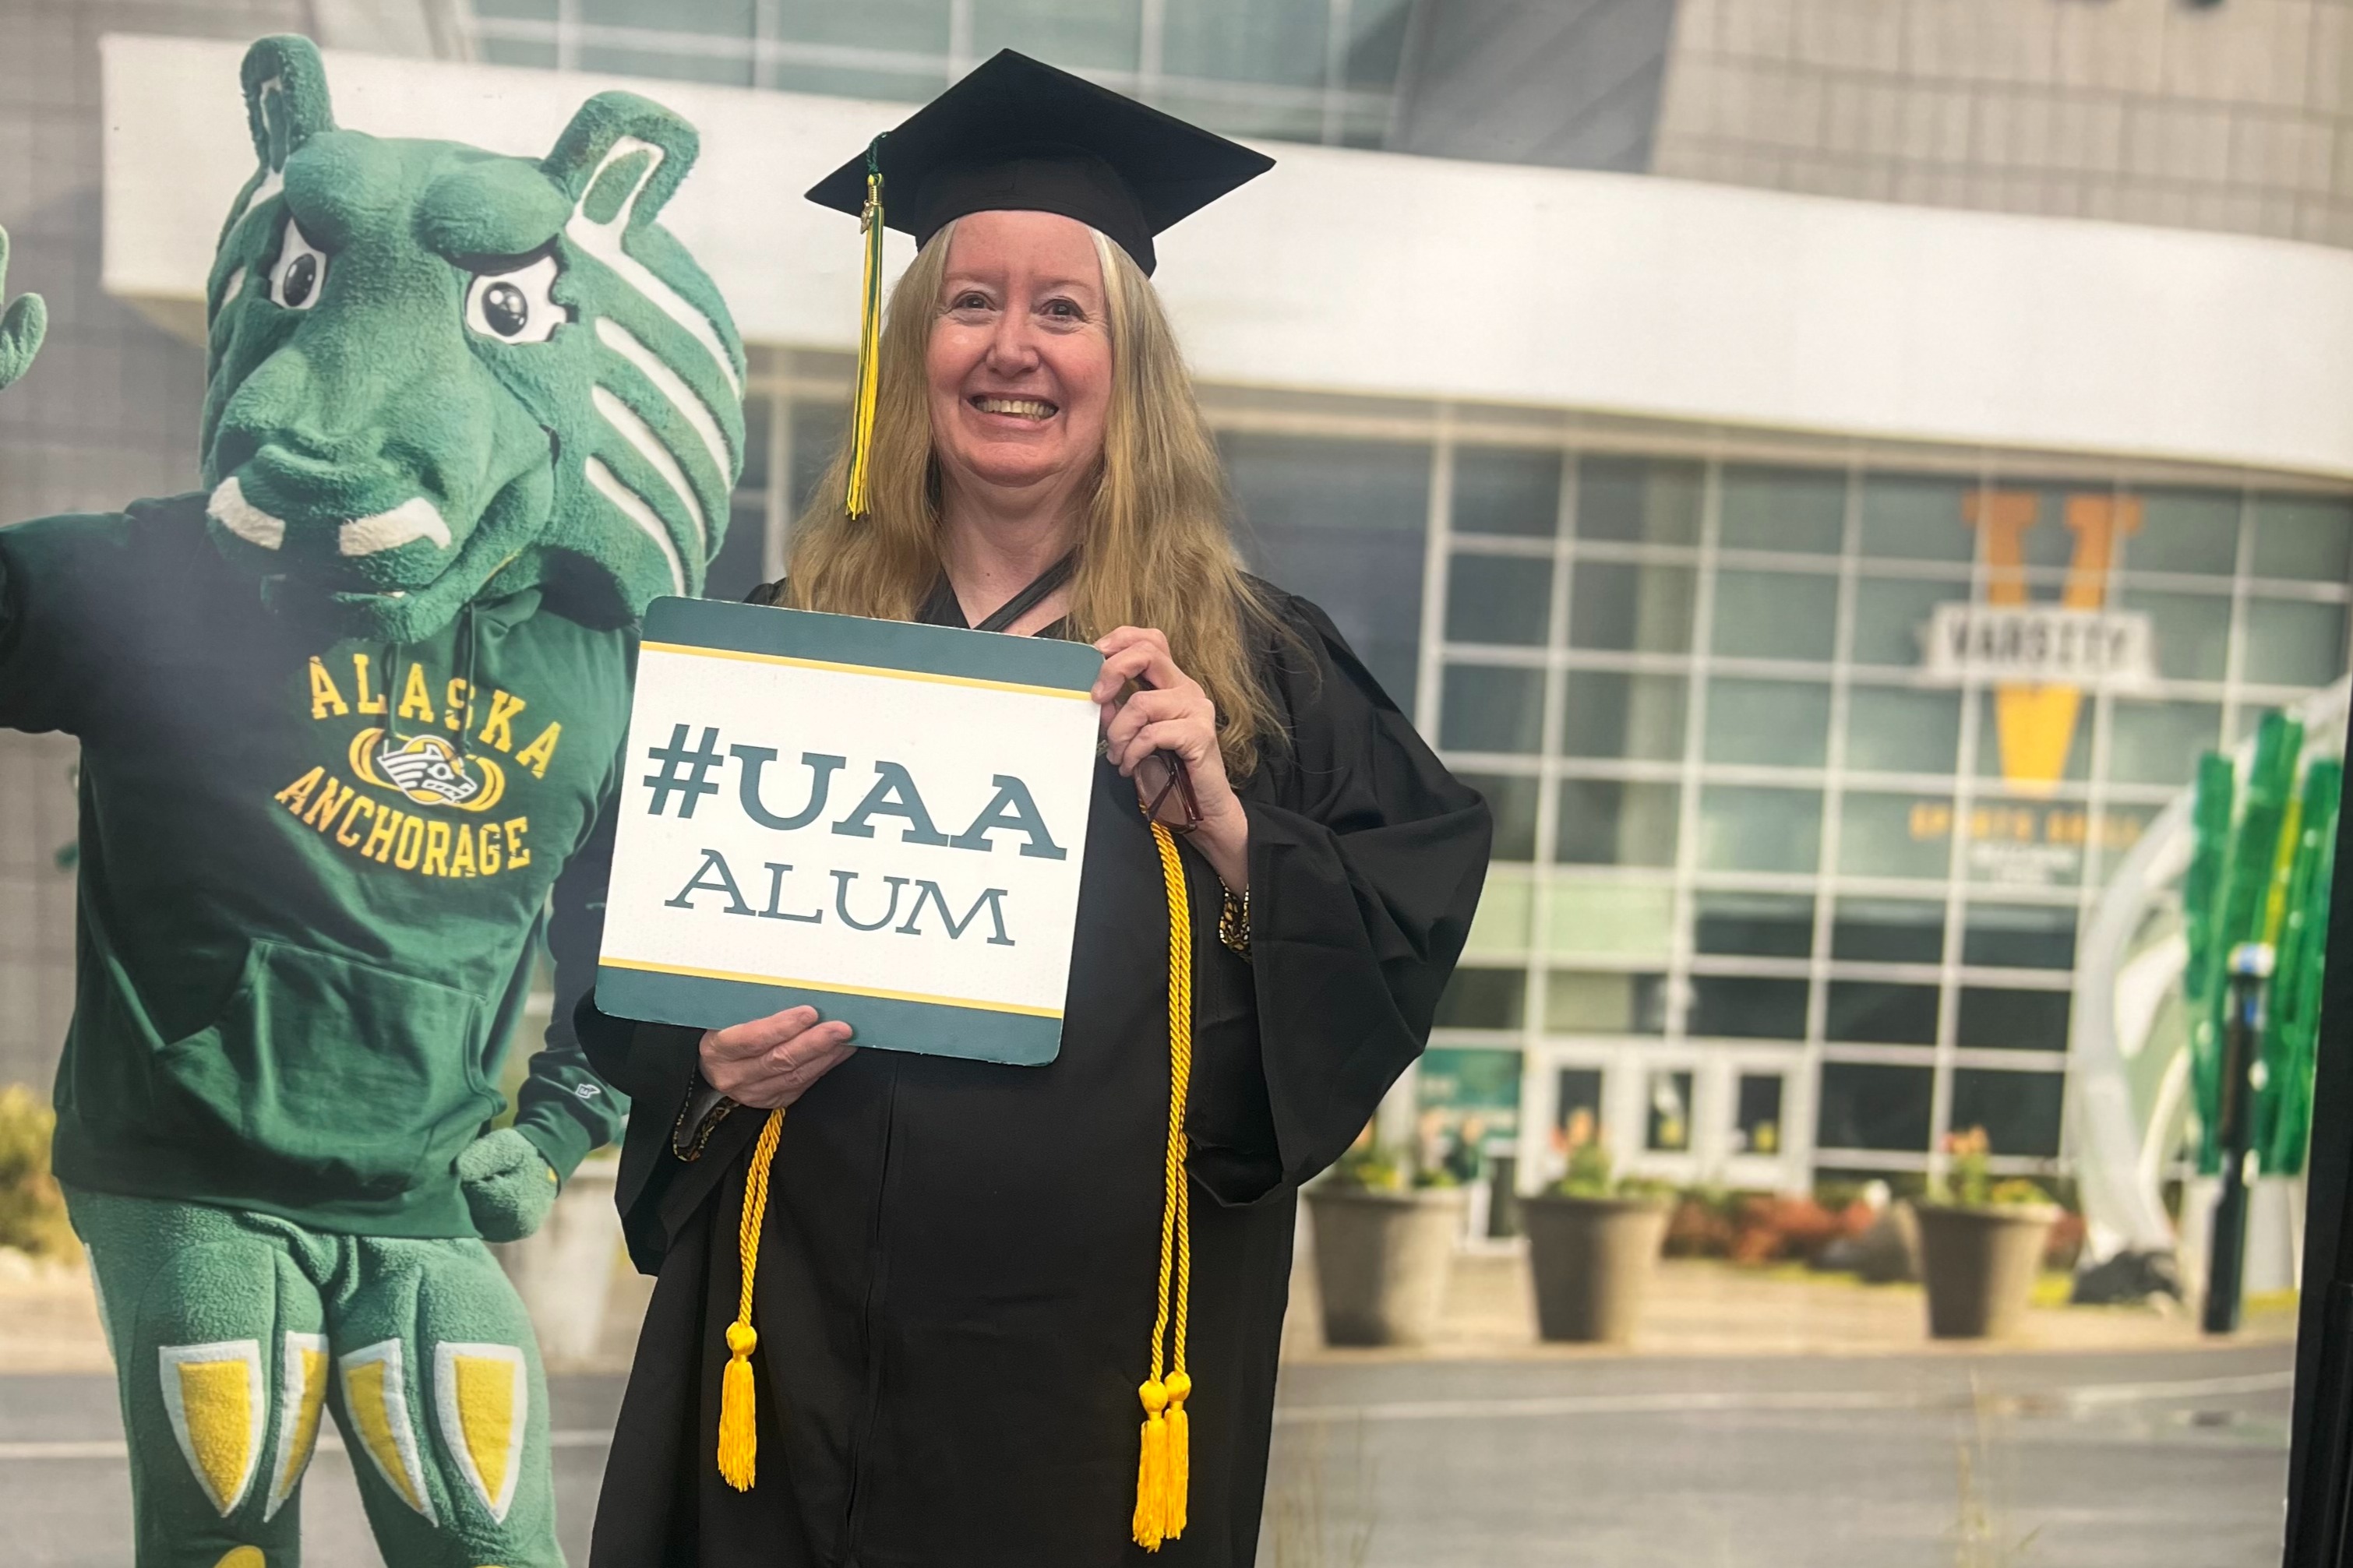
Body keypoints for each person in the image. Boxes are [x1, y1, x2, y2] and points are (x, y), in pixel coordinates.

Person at [581, 51, 1491, 1567]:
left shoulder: (1257, 669)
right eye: (970, 301)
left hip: (1090, 1389)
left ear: (1126, 361)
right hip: (793, 1353)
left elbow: (1409, 909)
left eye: (1061, 308)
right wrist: (702, 1053)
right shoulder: (775, 649)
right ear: (912, 348)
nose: (1014, 348)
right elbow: (616, 929)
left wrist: (1232, 829)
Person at [0, 36, 746, 1567]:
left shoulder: (595, 659)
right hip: (188, 1170)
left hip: (421, 1191)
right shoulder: (153, 578)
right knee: (225, 1497)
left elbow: (636, 930)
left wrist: (557, 1125)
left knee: (486, 1521)